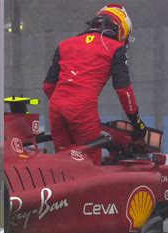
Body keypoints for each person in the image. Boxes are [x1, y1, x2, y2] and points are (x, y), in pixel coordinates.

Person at [43, 3, 146, 165]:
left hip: (56, 108)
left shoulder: (65, 44)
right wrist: (136, 122)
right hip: (83, 110)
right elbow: (123, 90)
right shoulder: (115, 48)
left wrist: (64, 103)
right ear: (120, 29)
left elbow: (48, 86)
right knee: (90, 169)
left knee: (64, 166)